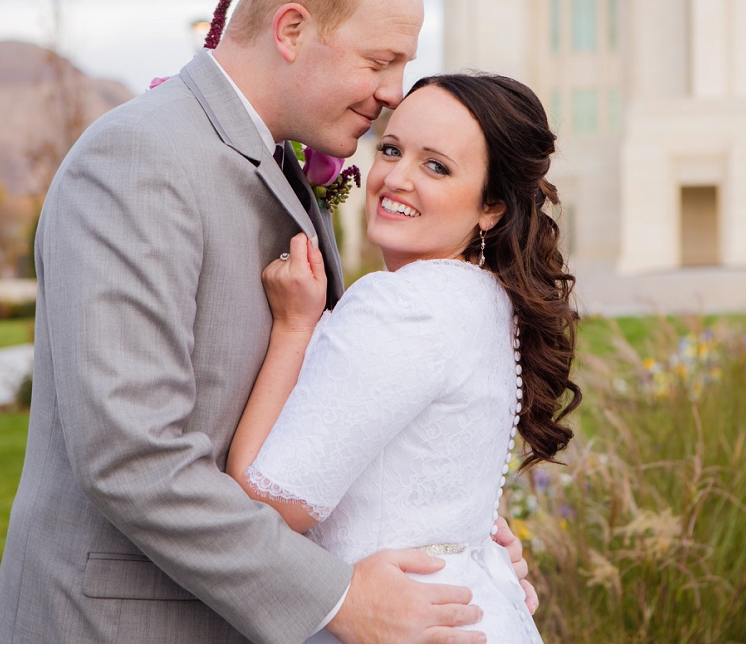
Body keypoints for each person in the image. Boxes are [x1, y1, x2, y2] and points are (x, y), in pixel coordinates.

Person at [0, 0, 529, 643]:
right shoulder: (140, 158)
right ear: (293, 30)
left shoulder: (286, 170)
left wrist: (452, 541)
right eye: (379, 62)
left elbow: (340, 405)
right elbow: (131, 455)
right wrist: (339, 597)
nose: (394, 92)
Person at [225, 73, 582, 642]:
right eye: (391, 149)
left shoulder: (401, 304)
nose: (396, 178)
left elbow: (264, 507)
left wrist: (295, 327)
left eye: (436, 166)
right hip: (468, 611)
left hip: (404, 622)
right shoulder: (487, 299)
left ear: (491, 207)